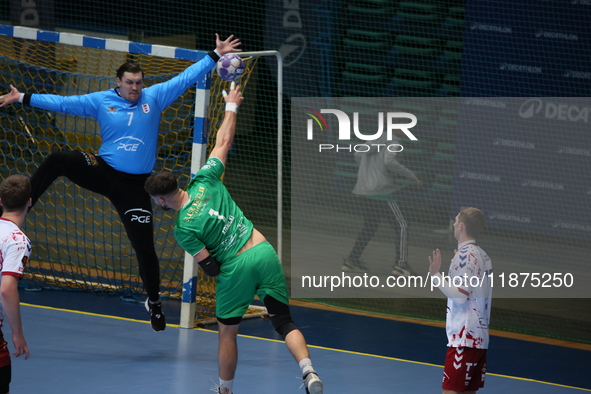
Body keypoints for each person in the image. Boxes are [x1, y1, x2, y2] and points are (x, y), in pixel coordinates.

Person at [0, 34, 241, 332]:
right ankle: (23, 206)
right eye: (130, 82)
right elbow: (62, 102)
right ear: (118, 81)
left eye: (139, 82)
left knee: (145, 248)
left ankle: (153, 302)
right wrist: (22, 97)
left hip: (136, 188)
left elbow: (185, 77)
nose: (135, 88)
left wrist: (214, 56)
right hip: (104, 171)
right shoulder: (101, 101)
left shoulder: (154, 97)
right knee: (59, 159)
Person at [144, 84, 323, 394]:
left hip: (235, 268)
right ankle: (309, 371)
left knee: (227, 333)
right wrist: (231, 105)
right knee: (283, 320)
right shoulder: (205, 178)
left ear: (160, 200)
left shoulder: (183, 228)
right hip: (264, 250)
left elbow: (210, 266)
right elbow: (223, 141)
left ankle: (225, 390)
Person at [428, 207, 492, 394]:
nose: (454, 224)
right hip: (479, 340)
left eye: (456, 221)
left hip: (464, 339)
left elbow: (461, 297)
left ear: (462, 226)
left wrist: (435, 276)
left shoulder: (466, 256)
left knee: (450, 392)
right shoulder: (482, 255)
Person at [343, 133, 422, 276]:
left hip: (364, 189)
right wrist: (410, 175)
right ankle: (401, 265)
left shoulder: (374, 138)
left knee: (370, 226)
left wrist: (369, 174)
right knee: (402, 224)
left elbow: (357, 154)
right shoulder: (394, 140)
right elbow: (389, 161)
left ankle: (351, 260)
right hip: (382, 192)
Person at [0, 174, 33, 394]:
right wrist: (17, 333)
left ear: (0, 201)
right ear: (29, 201)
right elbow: (7, 288)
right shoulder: (18, 240)